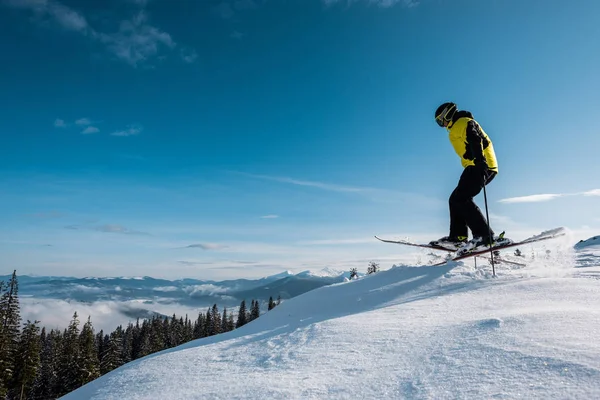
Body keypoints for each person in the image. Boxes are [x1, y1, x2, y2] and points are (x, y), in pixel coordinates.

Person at [429, 102, 511, 252]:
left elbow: (476, 139)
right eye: (438, 123)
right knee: (455, 199)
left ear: (448, 114)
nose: (441, 124)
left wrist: (480, 162)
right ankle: (458, 237)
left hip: (480, 166)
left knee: (461, 198)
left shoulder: (463, 122)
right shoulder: (457, 126)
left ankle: (485, 236)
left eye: (441, 120)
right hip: (474, 166)